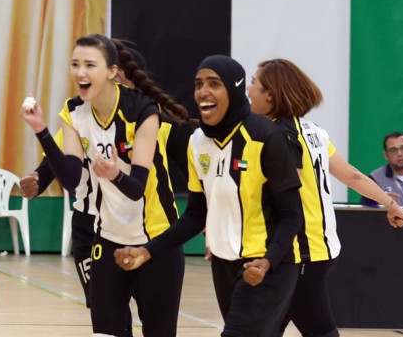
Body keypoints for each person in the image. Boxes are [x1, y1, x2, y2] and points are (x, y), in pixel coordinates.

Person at [115, 55, 304, 337]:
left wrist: (268, 261)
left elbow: (292, 215)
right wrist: (147, 251)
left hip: (269, 264)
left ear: (235, 89)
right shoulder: (198, 142)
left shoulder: (265, 137)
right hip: (224, 262)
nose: (203, 92)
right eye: (198, 84)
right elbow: (195, 215)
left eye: (214, 84)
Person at [19, 40, 191, 336]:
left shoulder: (148, 115)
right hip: (100, 232)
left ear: (114, 73)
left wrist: (114, 175)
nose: (81, 72)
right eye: (76, 64)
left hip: (155, 236)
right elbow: (65, 171)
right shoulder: (75, 113)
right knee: (110, 326)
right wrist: (40, 133)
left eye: (90, 65)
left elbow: (145, 184)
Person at [246, 58, 403, 337]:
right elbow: (352, 175)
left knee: (316, 328)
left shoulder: (279, 136)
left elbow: (284, 196)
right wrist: (391, 204)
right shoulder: (314, 132)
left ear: (271, 94)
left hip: (300, 250)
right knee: (265, 327)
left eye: (253, 82)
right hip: (320, 247)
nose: (248, 89)